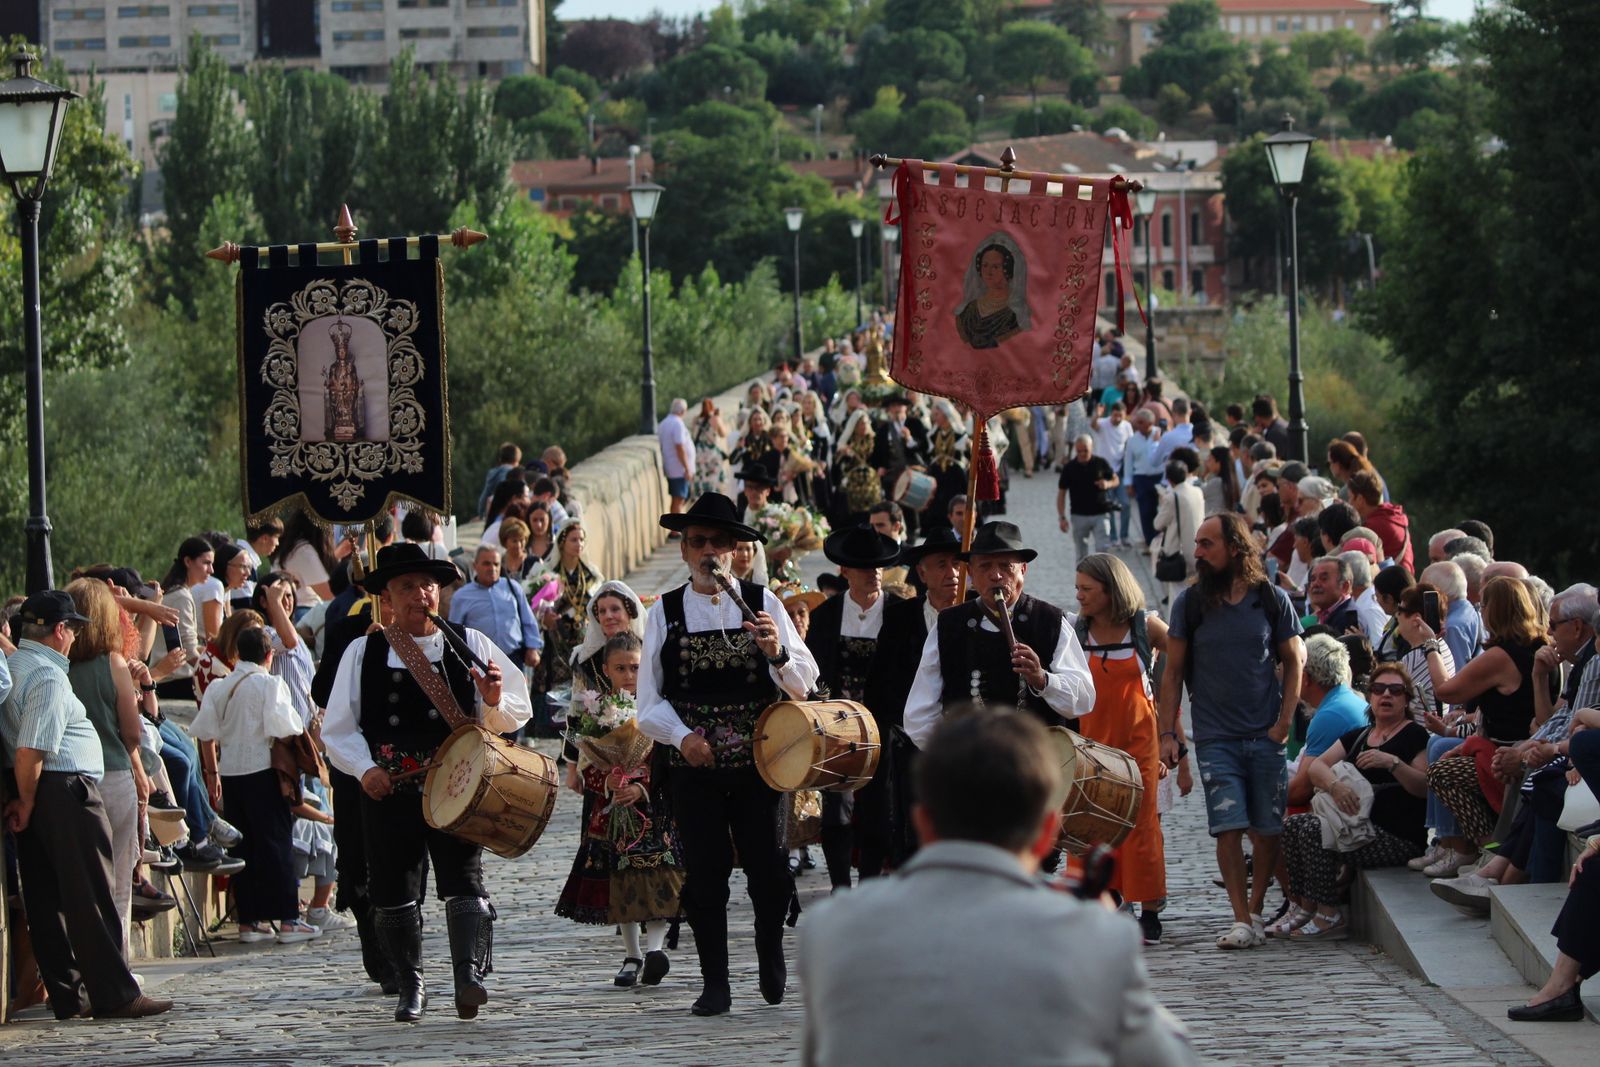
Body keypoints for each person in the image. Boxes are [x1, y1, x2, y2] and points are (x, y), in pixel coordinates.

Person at [798, 710, 1197, 1067]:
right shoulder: (1094, 936)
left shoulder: (830, 930)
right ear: (1046, 834)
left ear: (922, 823)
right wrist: (1104, 933)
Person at [321, 543, 532, 1023]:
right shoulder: (364, 651)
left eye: (429, 585)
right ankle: (409, 986)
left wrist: (492, 700)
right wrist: (365, 769)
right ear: (389, 599)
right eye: (408, 587)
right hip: (389, 789)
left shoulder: (471, 643)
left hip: (457, 786)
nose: (421, 595)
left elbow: (514, 712)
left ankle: (467, 978)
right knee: (394, 887)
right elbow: (337, 726)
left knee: (465, 880)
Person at [636, 493, 819, 1016]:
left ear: (738, 549)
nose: (708, 551)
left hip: (761, 763)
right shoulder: (665, 612)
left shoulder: (765, 603)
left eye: (719, 542)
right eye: (698, 542)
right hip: (694, 765)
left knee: (769, 870)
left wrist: (777, 653)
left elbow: (805, 684)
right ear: (684, 549)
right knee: (706, 872)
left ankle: (769, 953)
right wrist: (681, 737)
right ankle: (715, 982)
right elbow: (647, 701)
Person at [2, 591, 173, 1019]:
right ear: (60, 631)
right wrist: (26, 798)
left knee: (46, 899)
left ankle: (69, 994)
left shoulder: (17, 664)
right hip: (64, 789)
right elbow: (30, 751)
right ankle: (115, 994)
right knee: (89, 894)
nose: (76, 637)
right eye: (74, 629)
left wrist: (26, 797)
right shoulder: (46, 676)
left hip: (44, 789)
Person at [1158, 513, 1305, 949]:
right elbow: (1173, 673)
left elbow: (1295, 660)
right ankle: (1240, 917)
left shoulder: (1271, 599)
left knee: (1267, 829)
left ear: (1235, 548)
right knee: (1226, 825)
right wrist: (1169, 733)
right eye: (1197, 544)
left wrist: (1283, 723)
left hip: (1265, 734)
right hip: (1214, 735)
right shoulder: (1190, 603)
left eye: (1207, 544)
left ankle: (1257, 909)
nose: (1198, 552)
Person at [555, 631, 682, 988]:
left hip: (653, 809)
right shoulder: (595, 711)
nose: (629, 674)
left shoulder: (658, 709)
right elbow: (588, 762)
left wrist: (642, 788)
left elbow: (669, 760)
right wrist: (606, 783)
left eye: (635, 667)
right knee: (621, 880)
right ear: (606, 669)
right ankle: (633, 954)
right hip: (612, 810)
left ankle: (655, 950)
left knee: (656, 876)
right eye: (621, 667)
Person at [1271, 662, 1430, 939]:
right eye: (1379, 689)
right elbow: (1318, 766)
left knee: (1312, 830)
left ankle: (1329, 914)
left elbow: (1423, 787)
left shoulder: (1414, 736)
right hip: (1354, 827)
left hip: (1394, 836)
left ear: (1406, 699)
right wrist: (1335, 787)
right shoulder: (1360, 736)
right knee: (1293, 825)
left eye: (1395, 690)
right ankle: (1304, 906)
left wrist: (1393, 763)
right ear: (1370, 696)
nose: (1386, 696)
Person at [903, 522, 1096, 747]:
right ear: (971, 573)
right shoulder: (949, 624)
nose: (995, 575)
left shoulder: (1049, 621)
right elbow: (918, 714)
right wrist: (954, 754)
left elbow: (1083, 699)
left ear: (1023, 570)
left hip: (1037, 765)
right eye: (985, 567)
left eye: (1006, 566)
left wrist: (1043, 679)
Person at [1406, 576, 1551, 866]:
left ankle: (1488, 850)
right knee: (1442, 747)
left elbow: (1445, 689)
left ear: (1495, 610)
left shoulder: (1500, 655)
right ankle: (1450, 843)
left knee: (1442, 773)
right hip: (1514, 745)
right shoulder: (1537, 645)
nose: (1479, 611)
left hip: (1506, 756)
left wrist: (1431, 646)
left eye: (1482, 604)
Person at [189, 626, 318, 945]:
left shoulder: (220, 686)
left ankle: (249, 920)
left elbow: (204, 730)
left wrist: (211, 773)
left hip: (231, 772)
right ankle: (288, 918)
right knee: (275, 842)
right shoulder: (270, 684)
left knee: (242, 845)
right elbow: (284, 725)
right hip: (262, 770)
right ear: (269, 655)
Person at [1070, 554, 1174, 943]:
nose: (1078, 596)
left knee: (1142, 823)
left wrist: (1171, 730)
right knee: (1090, 819)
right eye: (1078, 587)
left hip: (1138, 742)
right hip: (1093, 741)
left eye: (1087, 589)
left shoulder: (1144, 627)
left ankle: (1148, 908)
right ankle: (1101, 896)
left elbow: (1177, 664)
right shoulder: (1076, 631)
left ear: (1111, 591)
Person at [804, 525, 903, 891]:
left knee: (879, 811)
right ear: (847, 571)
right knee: (837, 812)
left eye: (877, 566)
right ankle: (840, 885)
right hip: (838, 725)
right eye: (864, 567)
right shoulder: (828, 615)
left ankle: (872, 885)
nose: (873, 573)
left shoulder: (897, 613)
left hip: (883, 724)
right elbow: (815, 670)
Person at [63, 578, 153, 961]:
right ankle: (118, 966)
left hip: (72, 777)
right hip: (114, 773)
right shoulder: (114, 664)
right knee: (118, 883)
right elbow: (132, 733)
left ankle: (83, 965)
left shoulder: (61, 666)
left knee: (81, 881)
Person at [448, 545, 544, 674]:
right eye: (486, 564)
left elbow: (528, 620)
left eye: (496, 564)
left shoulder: (513, 587)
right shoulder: (461, 596)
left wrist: (532, 648)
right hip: (480, 664)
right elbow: (454, 634)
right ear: (474, 566)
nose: (492, 568)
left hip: (513, 660)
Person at [1152, 458, 1204, 613]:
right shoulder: (1197, 491)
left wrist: (1162, 501)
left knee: (1176, 596)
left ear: (1168, 479)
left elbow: (1158, 524)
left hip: (1178, 553)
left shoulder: (1172, 497)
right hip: (1198, 549)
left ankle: (1175, 631)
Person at [1056, 434, 1119, 562]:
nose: (1082, 454)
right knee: (1081, 554)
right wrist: (1062, 517)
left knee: (1103, 551)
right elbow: (1062, 493)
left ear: (1092, 448)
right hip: (1079, 515)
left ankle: (1103, 579)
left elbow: (1116, 479)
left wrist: (1108, 484)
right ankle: (1083, 581)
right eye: (1079, 451)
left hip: (1101, 514)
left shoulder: (1100, 463)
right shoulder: (1069, 468)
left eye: (1086, 450)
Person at [954, 243, 1023, 348]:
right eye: (985, 265)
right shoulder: (969, 310)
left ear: (1007, 269)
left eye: (995, 267)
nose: (988, 272)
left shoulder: (1015, 314)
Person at [1122, 409, 1164, 546]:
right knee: (1145, 511)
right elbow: (1128, 462)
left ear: (1150, 423)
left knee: (1162, 511)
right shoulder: (1133, 440)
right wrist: (1128, 483)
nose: (1138, 425)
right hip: (1141, 478)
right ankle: (1150, 541)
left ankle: (1161, 541)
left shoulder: (1161, 434)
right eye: (1137, 422)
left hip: (1159, 477)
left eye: (1141, 422)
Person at [658, 398, 695, 516]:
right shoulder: (677, 424)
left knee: (677, 499)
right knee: (678, 500)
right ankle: (675, 531)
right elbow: (679, 447)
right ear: (683, 411)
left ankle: (674, 530)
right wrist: (687, 468)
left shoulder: (664, 422)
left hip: (672, 467)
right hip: (679, 469)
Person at [1306, 556, 1361, 634]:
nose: (1315, 584)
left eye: (1324, 578)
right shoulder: (1328, 613)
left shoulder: (1349, 618)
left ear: (1345, 586)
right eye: (1312, 579)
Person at [690, 398, 729, 504]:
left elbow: (692, 434)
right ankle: (713, 502)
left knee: (700, 480)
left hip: (698, 454)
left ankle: (700, 502)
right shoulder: (715, 419)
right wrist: (719, 417)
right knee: (713, 482)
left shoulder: (695, 419)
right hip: (712, 454)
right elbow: (723, 434)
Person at [476, 442, 522, 521]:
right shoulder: (511, 472)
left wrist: (481, 513)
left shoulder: (493, 473)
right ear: (516, 461)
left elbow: (484, 495)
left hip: (492, 512)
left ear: (501, 459)